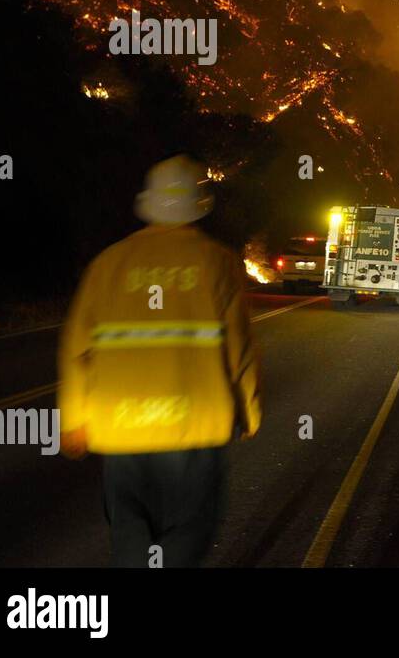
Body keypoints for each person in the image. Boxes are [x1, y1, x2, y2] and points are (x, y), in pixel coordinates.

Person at [58, 155, 261, 567]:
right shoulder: (216, 262)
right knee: (192, 525)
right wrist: (249, 408)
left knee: (129, 523)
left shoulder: (108, 263)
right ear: (197, 206)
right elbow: (239, 345)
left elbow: (76, 348)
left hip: (121, 425)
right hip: (194, 424)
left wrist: (73, 418)